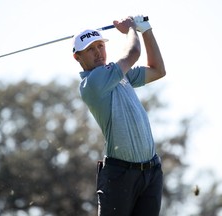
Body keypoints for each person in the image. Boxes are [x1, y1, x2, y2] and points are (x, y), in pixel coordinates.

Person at [72, 15, 166, 216]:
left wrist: (146, 30)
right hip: (119, 175)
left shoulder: (119, 74)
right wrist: (132, 29)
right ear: (77, 57)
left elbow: (158, 70)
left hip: (151, 171)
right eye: (90, 49)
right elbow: (133, 52)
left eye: (100, 46)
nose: (98, 53)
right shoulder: (92, 83)